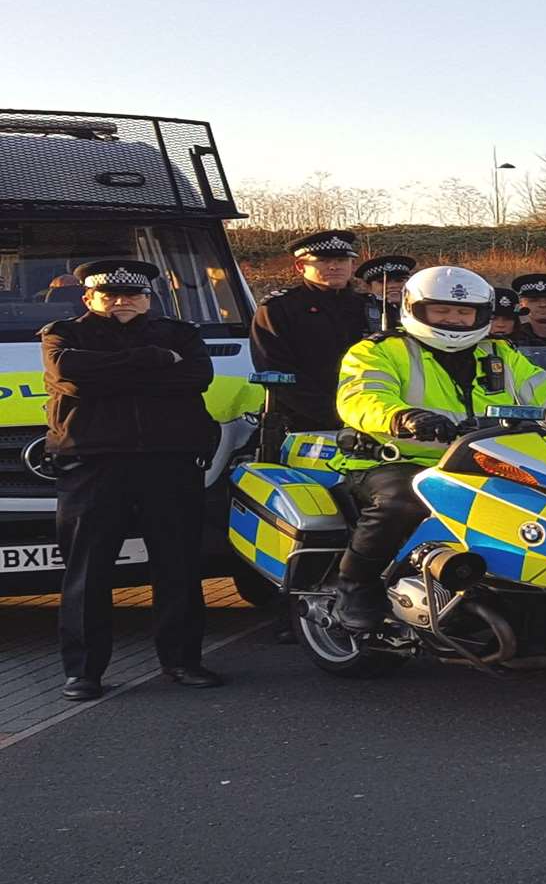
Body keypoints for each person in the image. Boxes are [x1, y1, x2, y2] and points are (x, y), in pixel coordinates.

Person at [331, 266, 546, 632]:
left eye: (463, 312)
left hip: (486, 462)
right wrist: (402, 416)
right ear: (416, 309)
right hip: (400, 459)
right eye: (442, 311)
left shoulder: (501, 354)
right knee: (402, 501)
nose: (454, 320)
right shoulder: (380, 350)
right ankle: (355, 586)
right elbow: (360, 397)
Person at [41, 260, 222, 699]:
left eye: (133, 295)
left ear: (148, 298)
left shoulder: (181, 334)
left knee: (178, 565)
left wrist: (110, 371)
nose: (122, 302)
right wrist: (150, 361)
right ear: (89, 298)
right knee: (88, 572)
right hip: (93, 463)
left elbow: (198, 376)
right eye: (110, 295)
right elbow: (70, 376)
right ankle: (83, 672)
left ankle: (182, 661)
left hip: (169, 462)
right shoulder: (63, 333)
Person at [249, 229, 366, 451]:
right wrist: (337, 414)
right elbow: (277, 371)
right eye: (323, 261)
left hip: (370, 421)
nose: (334, 266)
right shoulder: (278, 309)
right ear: (301, 267)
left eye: (342, 260)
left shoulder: (371, 309)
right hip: (303, 426)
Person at [353, 254, 416, 335]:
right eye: (382, 282)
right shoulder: (358, 307)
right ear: (369, 287)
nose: (392, 285)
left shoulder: (421, 306)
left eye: (399, 280)